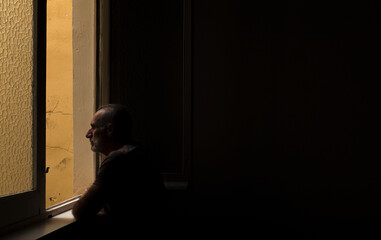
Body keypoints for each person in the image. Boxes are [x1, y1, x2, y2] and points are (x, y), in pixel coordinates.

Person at [71, 104, 173, 237]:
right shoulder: (137, 151)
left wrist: (86, 196)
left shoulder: (118, 158)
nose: (88, 134)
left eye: (93, 127)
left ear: (110, 130)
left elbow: (79, 211)